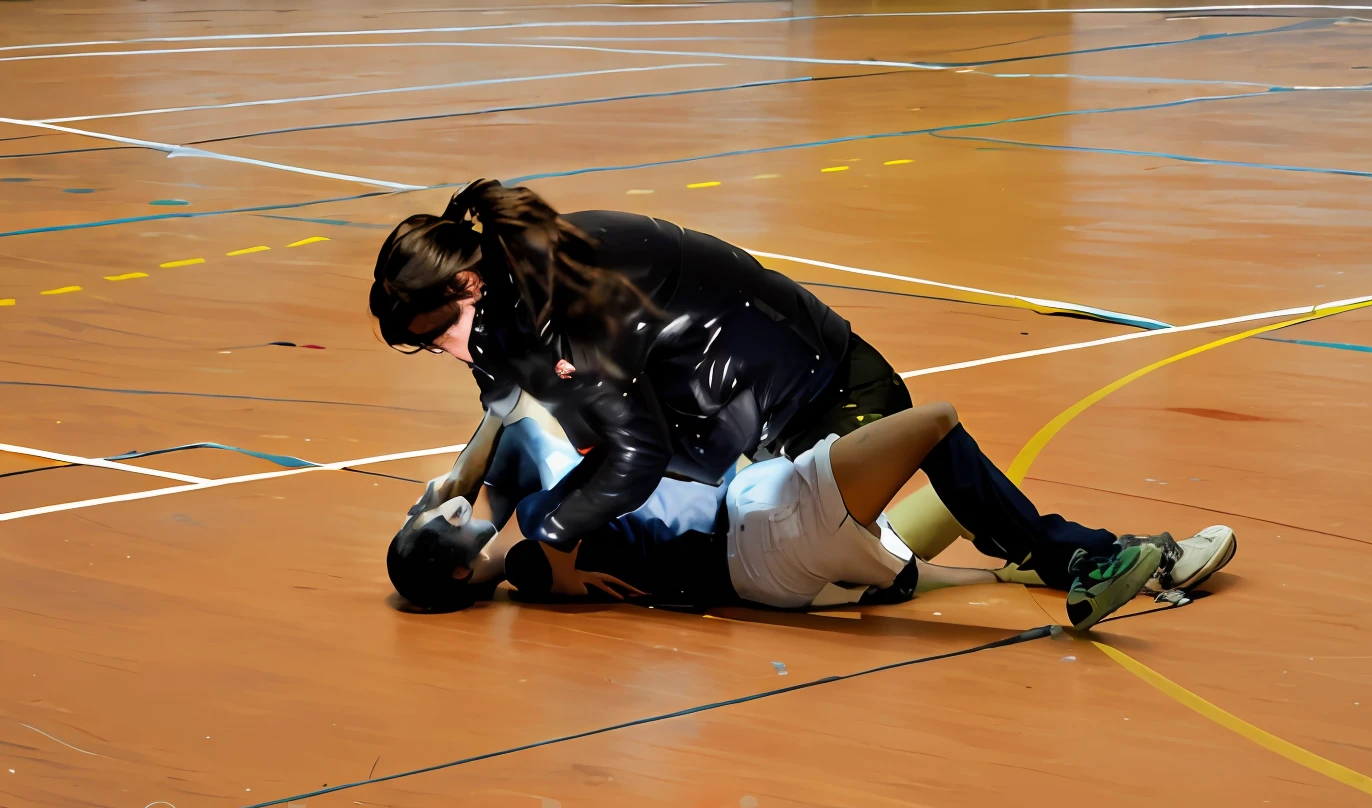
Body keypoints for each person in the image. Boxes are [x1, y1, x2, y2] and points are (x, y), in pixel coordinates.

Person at [369, 178, 1218, 601]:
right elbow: (510, 406)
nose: (446, 355)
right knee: (882, 525)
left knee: (907, 475)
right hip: (747, 444)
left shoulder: (558, 303)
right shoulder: (514, 290)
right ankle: (1048, 551)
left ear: (468, 288)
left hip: (805, 385)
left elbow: (634, 450)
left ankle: (1060, 552)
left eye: (434, 334)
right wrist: (466, 486)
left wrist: (507, 514)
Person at [387, 401, 1237, 629]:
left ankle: (1112, 561)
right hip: (769, 531)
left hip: (779, 556)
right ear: (463, 569)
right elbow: (518, 413)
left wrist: (461, 485)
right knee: (935, 426)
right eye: (446, 522)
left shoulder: (530, 527)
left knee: (959, 504)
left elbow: (509, 426)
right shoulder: (537, 551)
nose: (457, 504)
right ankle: (1089, 562)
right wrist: (459, 475)